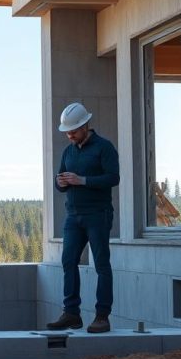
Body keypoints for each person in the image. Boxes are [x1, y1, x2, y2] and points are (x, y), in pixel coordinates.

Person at [46, 102, 119, 333]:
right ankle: (71, 313)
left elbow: (113, 178)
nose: (69, 135)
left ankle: (102, 316)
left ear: (85, 125)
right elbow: (60, 182)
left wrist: (83, 180)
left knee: (101, 264)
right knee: (68, 261)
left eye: (73, 131)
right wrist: (61, 183)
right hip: (73, 217)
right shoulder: (68, 151)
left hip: (98, 214)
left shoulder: (104, 147)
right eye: (67, 132)